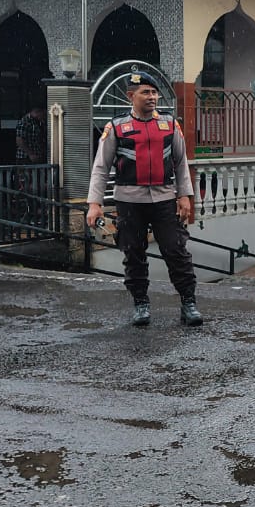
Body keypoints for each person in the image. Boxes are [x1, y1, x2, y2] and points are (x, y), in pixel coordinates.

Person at [85, 71, 201, 328]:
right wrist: (94, 204)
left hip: (164, 199)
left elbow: (181, 163)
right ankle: (140, 303)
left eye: (154, 92)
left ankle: (189, 303)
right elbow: (101, 167)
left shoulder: (170, 124)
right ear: (131, 96)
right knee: (133, 253)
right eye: (145, 92)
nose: (152, 97)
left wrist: (184, 196)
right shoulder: (116, 127)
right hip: (129, 201)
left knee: (176, 251)